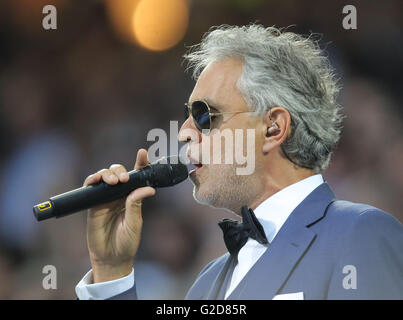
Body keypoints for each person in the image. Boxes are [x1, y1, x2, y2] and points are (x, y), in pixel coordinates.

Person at [75, 25, 403, 300]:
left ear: (274, 127)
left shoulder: (360, 234)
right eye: (186, 117)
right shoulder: (206, 284)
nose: (185, 133)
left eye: (204, 115)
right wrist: (111, 272)